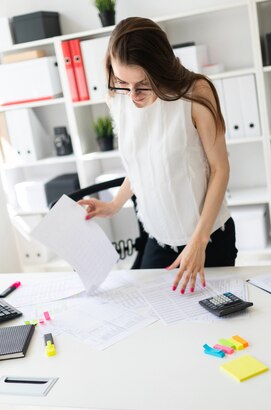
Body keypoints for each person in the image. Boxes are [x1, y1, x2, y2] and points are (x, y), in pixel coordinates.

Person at [79, 17, 237, 294]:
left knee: (214, 327)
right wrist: (114, 205)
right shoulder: (119, 97)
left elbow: (220, 168)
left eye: (142, 84)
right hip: (159, 239)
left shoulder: (195, 93)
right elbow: (142, 162)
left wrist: (198, 242)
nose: (132, 95)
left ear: (161, 68)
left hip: (208, 238)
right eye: (122, 83)